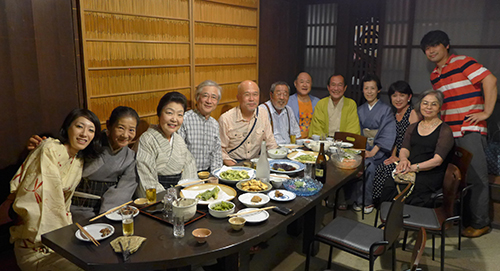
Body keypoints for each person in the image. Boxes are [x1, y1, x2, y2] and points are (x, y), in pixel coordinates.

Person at [421, 30, 498, 237]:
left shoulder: (463, 62)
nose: (431, 50)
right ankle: (457, 219)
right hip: (449, 132)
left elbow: (490, 80)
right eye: (427, 48)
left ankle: (481, 223)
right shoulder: (434, 75)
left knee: (476, 177)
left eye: (435, 45)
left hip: (469, 129)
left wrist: (487, 112)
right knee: (454, 178)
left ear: (446, 46)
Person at [10, 109, 101, 271]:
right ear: (67, 128)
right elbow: (44, 198)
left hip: (59, 239)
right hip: (34, 244)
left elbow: (64, 204)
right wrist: (63, 237)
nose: (84, 134)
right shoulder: (50, 148)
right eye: (80, 126)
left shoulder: (77, 161)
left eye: (91, 130)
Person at [27, 106, 140, 222]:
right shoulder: (89, 141)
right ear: (109, 125)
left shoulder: (130, 158)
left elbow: (121, 193)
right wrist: (42, 147)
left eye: (131, 130)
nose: (126, 135)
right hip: (67, 206)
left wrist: (104, 218)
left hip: (101, 211)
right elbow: (64, 155)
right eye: (120, 128)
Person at [380, 90, 454, 207]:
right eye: (425, 103)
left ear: (440, 108)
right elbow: (405, 148)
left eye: (433, 104)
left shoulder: (444, 130)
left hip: (429, 173)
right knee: (390, 182)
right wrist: (403, 160)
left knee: (410, 187)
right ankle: (390, 222)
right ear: (420, 105)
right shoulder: (413, 127)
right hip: (411, 167)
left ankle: (406, 221)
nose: (428, 107)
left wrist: (414, 168)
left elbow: (437, 160)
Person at [349, 74, 396, 214]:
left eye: (372, 88)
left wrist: (373, 151)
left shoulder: (386, 110)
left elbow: (387, 132)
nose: (369, 91)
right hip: (363, 147)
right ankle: (355, 200)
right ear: (362, 90)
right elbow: (356, 131)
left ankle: (367, 201)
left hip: (378, 150)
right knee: (353, 165)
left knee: (368, 166)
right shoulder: (359, 109)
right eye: (366, 88)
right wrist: (361, 150)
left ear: (378, 90)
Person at [135, 92, 197, 195]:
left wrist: (186, 193)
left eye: (180, 115)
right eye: (169, 113)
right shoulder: (147, 139)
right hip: (159, 197)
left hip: (180, 195)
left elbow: (189, 167)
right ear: (159, 114)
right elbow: (146, 176)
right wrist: (168, 198)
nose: (174, 119)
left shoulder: (179, 140)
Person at [372, 81, 419, 204]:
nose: (398, 99)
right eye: (394, 96)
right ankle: (379, 203)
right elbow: (393, 139)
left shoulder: (412, 113)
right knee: (379, 165)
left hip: (408, 156)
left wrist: (399, 158)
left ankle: (385, 203)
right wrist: (393, 155)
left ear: (409, 97)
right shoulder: (393, 113)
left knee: (384, 169)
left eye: (402, 95)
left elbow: (413, 141)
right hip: (396, 154)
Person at [219, 80, 277, 165]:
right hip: (234, 163)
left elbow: (271, 143)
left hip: (256, 162)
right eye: (247, 95)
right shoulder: (226, 119)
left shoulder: (263, 113)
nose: (251, 99)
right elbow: (220, 150)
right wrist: (235, 166)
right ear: (238, 98)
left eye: (255, 94)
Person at [178, 80, 223, 172]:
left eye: (213, 97)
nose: (209, 101)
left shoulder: (214, 124)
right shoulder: (185, 119)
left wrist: (216, 174)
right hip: (187, 174)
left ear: (217, 102)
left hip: (208, 174)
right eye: (205, 96)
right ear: (197, 98)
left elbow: (216, 154)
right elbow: (179, 152)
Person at [287, 72, 320, 138]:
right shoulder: (288, 101)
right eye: (301, 82)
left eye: (308, 82)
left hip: (312, 142)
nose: (305, 85)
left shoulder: (317, 102)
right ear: (295, 84)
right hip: (294, 141)